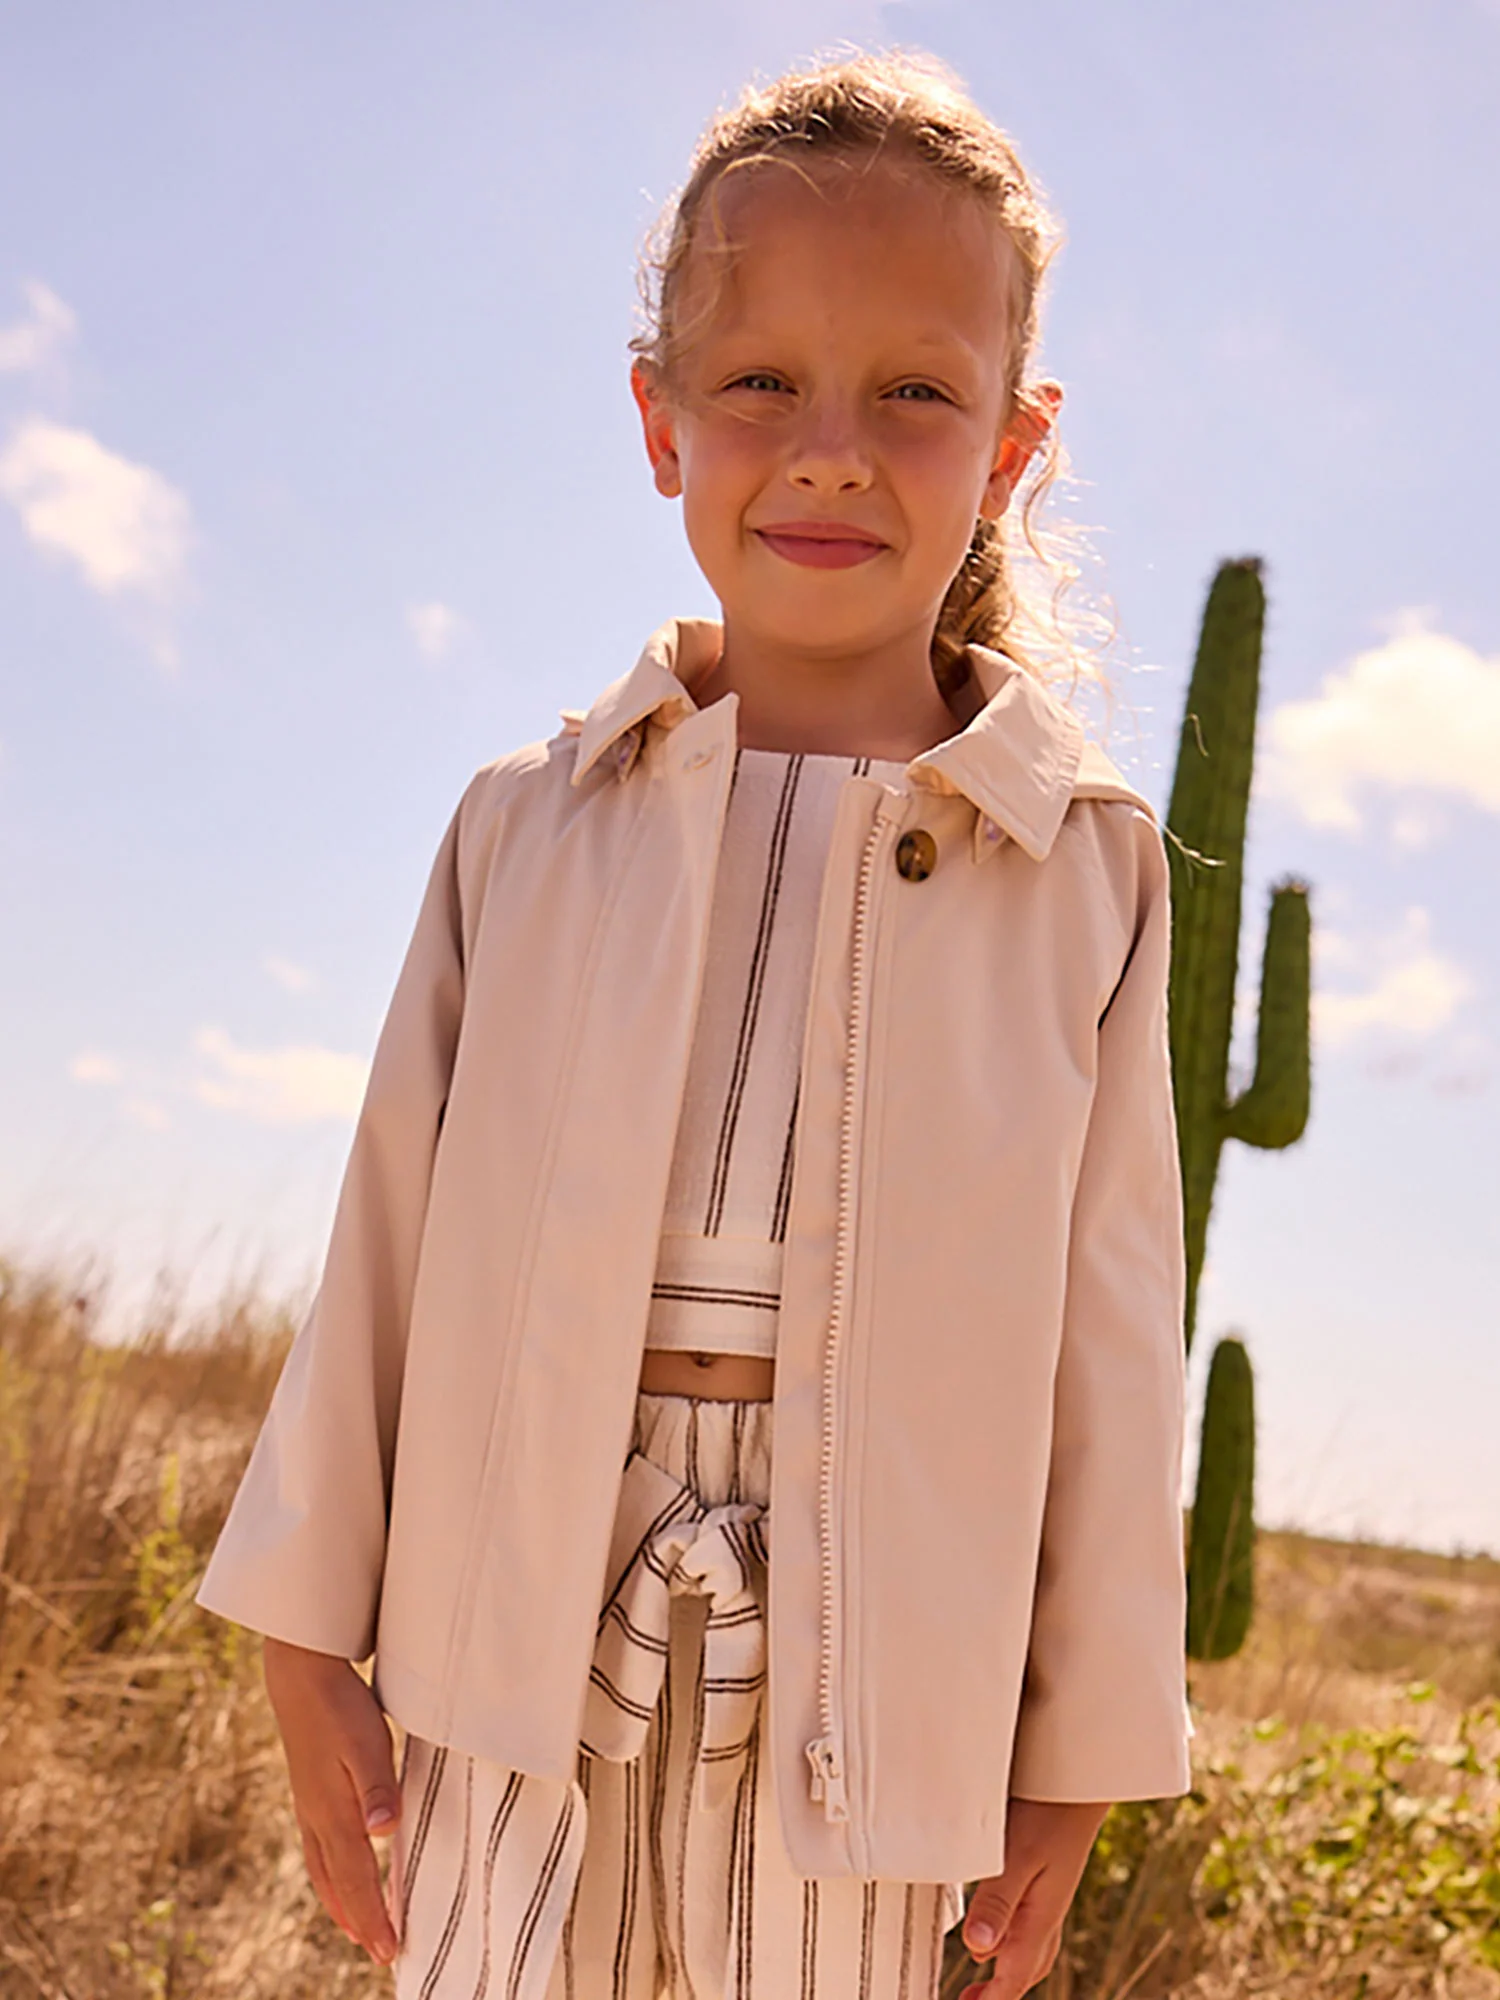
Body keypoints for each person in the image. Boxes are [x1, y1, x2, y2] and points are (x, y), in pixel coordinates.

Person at [196, 46, 1195, 2000]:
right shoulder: (528, 824)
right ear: (659, 423)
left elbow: (1109, 1341)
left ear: (1014, 445)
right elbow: (384, 1248)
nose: (832, 448)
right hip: (510, 1669)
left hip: (876, 1720)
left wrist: (1076, 1760)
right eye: (763, 385)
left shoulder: (1080, 864)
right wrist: (303, 1633)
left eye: (915, 391)